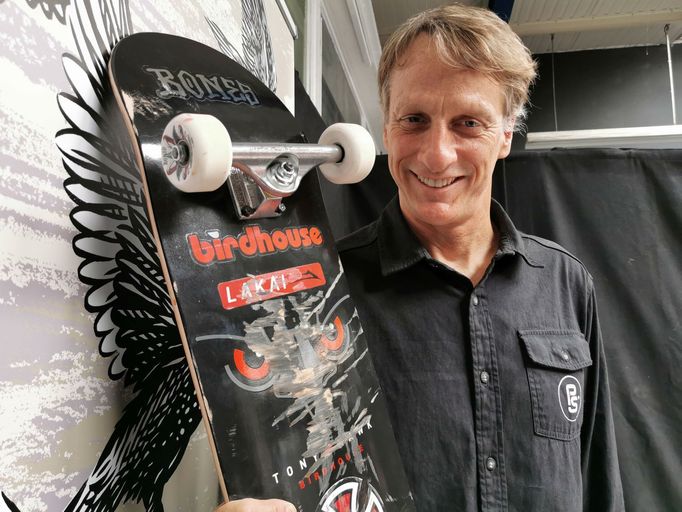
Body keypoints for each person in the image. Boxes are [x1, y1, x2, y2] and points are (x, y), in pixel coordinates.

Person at [217, 4, 624, 511]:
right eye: (414, 119)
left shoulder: (565, 282)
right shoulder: (321, 292)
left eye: (468, 123)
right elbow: (283, 467)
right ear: (386, 129)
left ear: (504, 137)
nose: (436, 154)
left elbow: (597, 474)